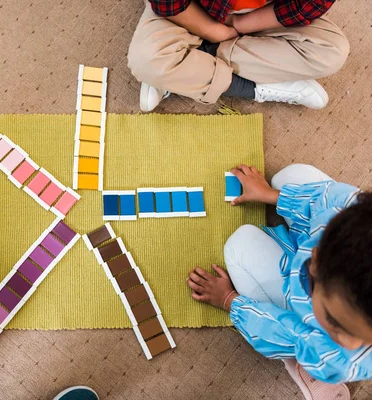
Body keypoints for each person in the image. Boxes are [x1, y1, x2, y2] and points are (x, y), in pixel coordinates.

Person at [187, 164, 372, 399]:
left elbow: (276, 329)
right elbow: (321, 198)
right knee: (291, 177)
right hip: (316, 245)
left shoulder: (335, 356)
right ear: (314, 262)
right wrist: (271, 195)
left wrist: (229, 300)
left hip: (299, 316)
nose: (351, 344)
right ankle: (278, 199)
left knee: (239, 244)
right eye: (337, 323)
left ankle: (298, 363)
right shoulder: (348, 206)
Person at [128, 0, 350, 112]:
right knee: (147, 61)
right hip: (191, 9)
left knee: (332, 52)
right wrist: (212, 31)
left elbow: (304, 7)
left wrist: (239, 25)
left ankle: (182, 71)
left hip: (260, 14)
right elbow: (167, 3)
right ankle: (254, 88)